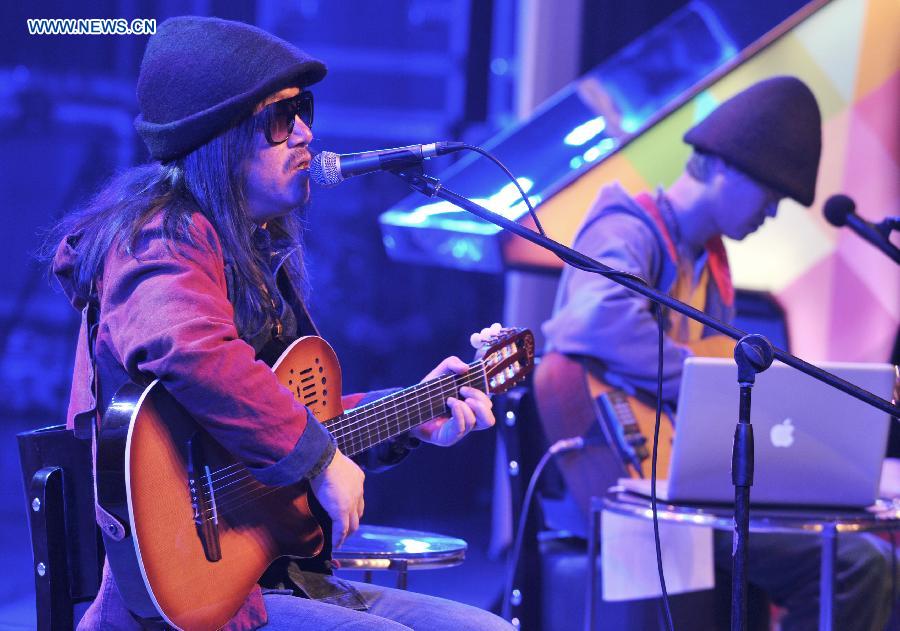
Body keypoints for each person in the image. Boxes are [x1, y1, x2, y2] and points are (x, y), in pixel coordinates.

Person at [49, 16, 512, 631]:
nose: (306, 133)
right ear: (220, 138)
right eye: (279, 117)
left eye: (305, 109)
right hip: (194, 599)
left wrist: (410, 414)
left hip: (273, 580)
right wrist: (318, 460)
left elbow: (280, 411)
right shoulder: (159, 236)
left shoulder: (255, 249)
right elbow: (191, 351)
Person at [541, 76, 895, 630]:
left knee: (863, 553)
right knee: (853, 563)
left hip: (692, 486)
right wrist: (712, 382)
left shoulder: (710, 265)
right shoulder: (625, 227)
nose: (772, 213)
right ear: (725, 166)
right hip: (635, 490)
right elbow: (596, 320)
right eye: (770, 194)